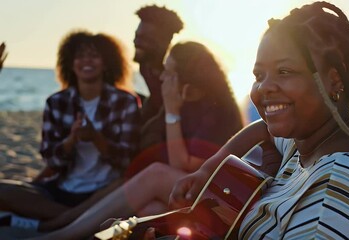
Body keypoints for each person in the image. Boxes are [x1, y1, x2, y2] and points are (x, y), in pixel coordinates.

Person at [167, 2, 349, 239]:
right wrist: (208, 170)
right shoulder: (312, 137)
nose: (264, 87)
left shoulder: (336, 199)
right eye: (259, 75)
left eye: (285, 71)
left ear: (334, 80)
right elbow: (265, 131)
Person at [29, 41, 243, 240]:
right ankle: (72, 229)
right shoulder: (185, 104)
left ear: (187, 79)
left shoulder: (216, 112)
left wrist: (171, 112)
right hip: (183, 195)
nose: (162, 79)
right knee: (151, 210)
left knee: (156, 173)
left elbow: (182, 165)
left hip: (216, 197)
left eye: (168, 73)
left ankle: (62, 236)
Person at [0, 30, 140, 229]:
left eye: (94, 55)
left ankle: (46, 225)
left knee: (123, 189)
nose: (86, 61)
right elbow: (51, 161)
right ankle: (81, 220)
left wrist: (96, 138)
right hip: (61, 191)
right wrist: (71, 141)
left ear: (107, 62)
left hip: (104, 192)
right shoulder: (56, 102)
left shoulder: (125, 102)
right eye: (80, 56)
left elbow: (127, 161)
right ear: (70, 63)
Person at [133, 5, 184, 125]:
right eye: (137, 36)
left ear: (165, 43)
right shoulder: (144, 69)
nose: (136, 42)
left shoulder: (177, 81)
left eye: (145, 39)